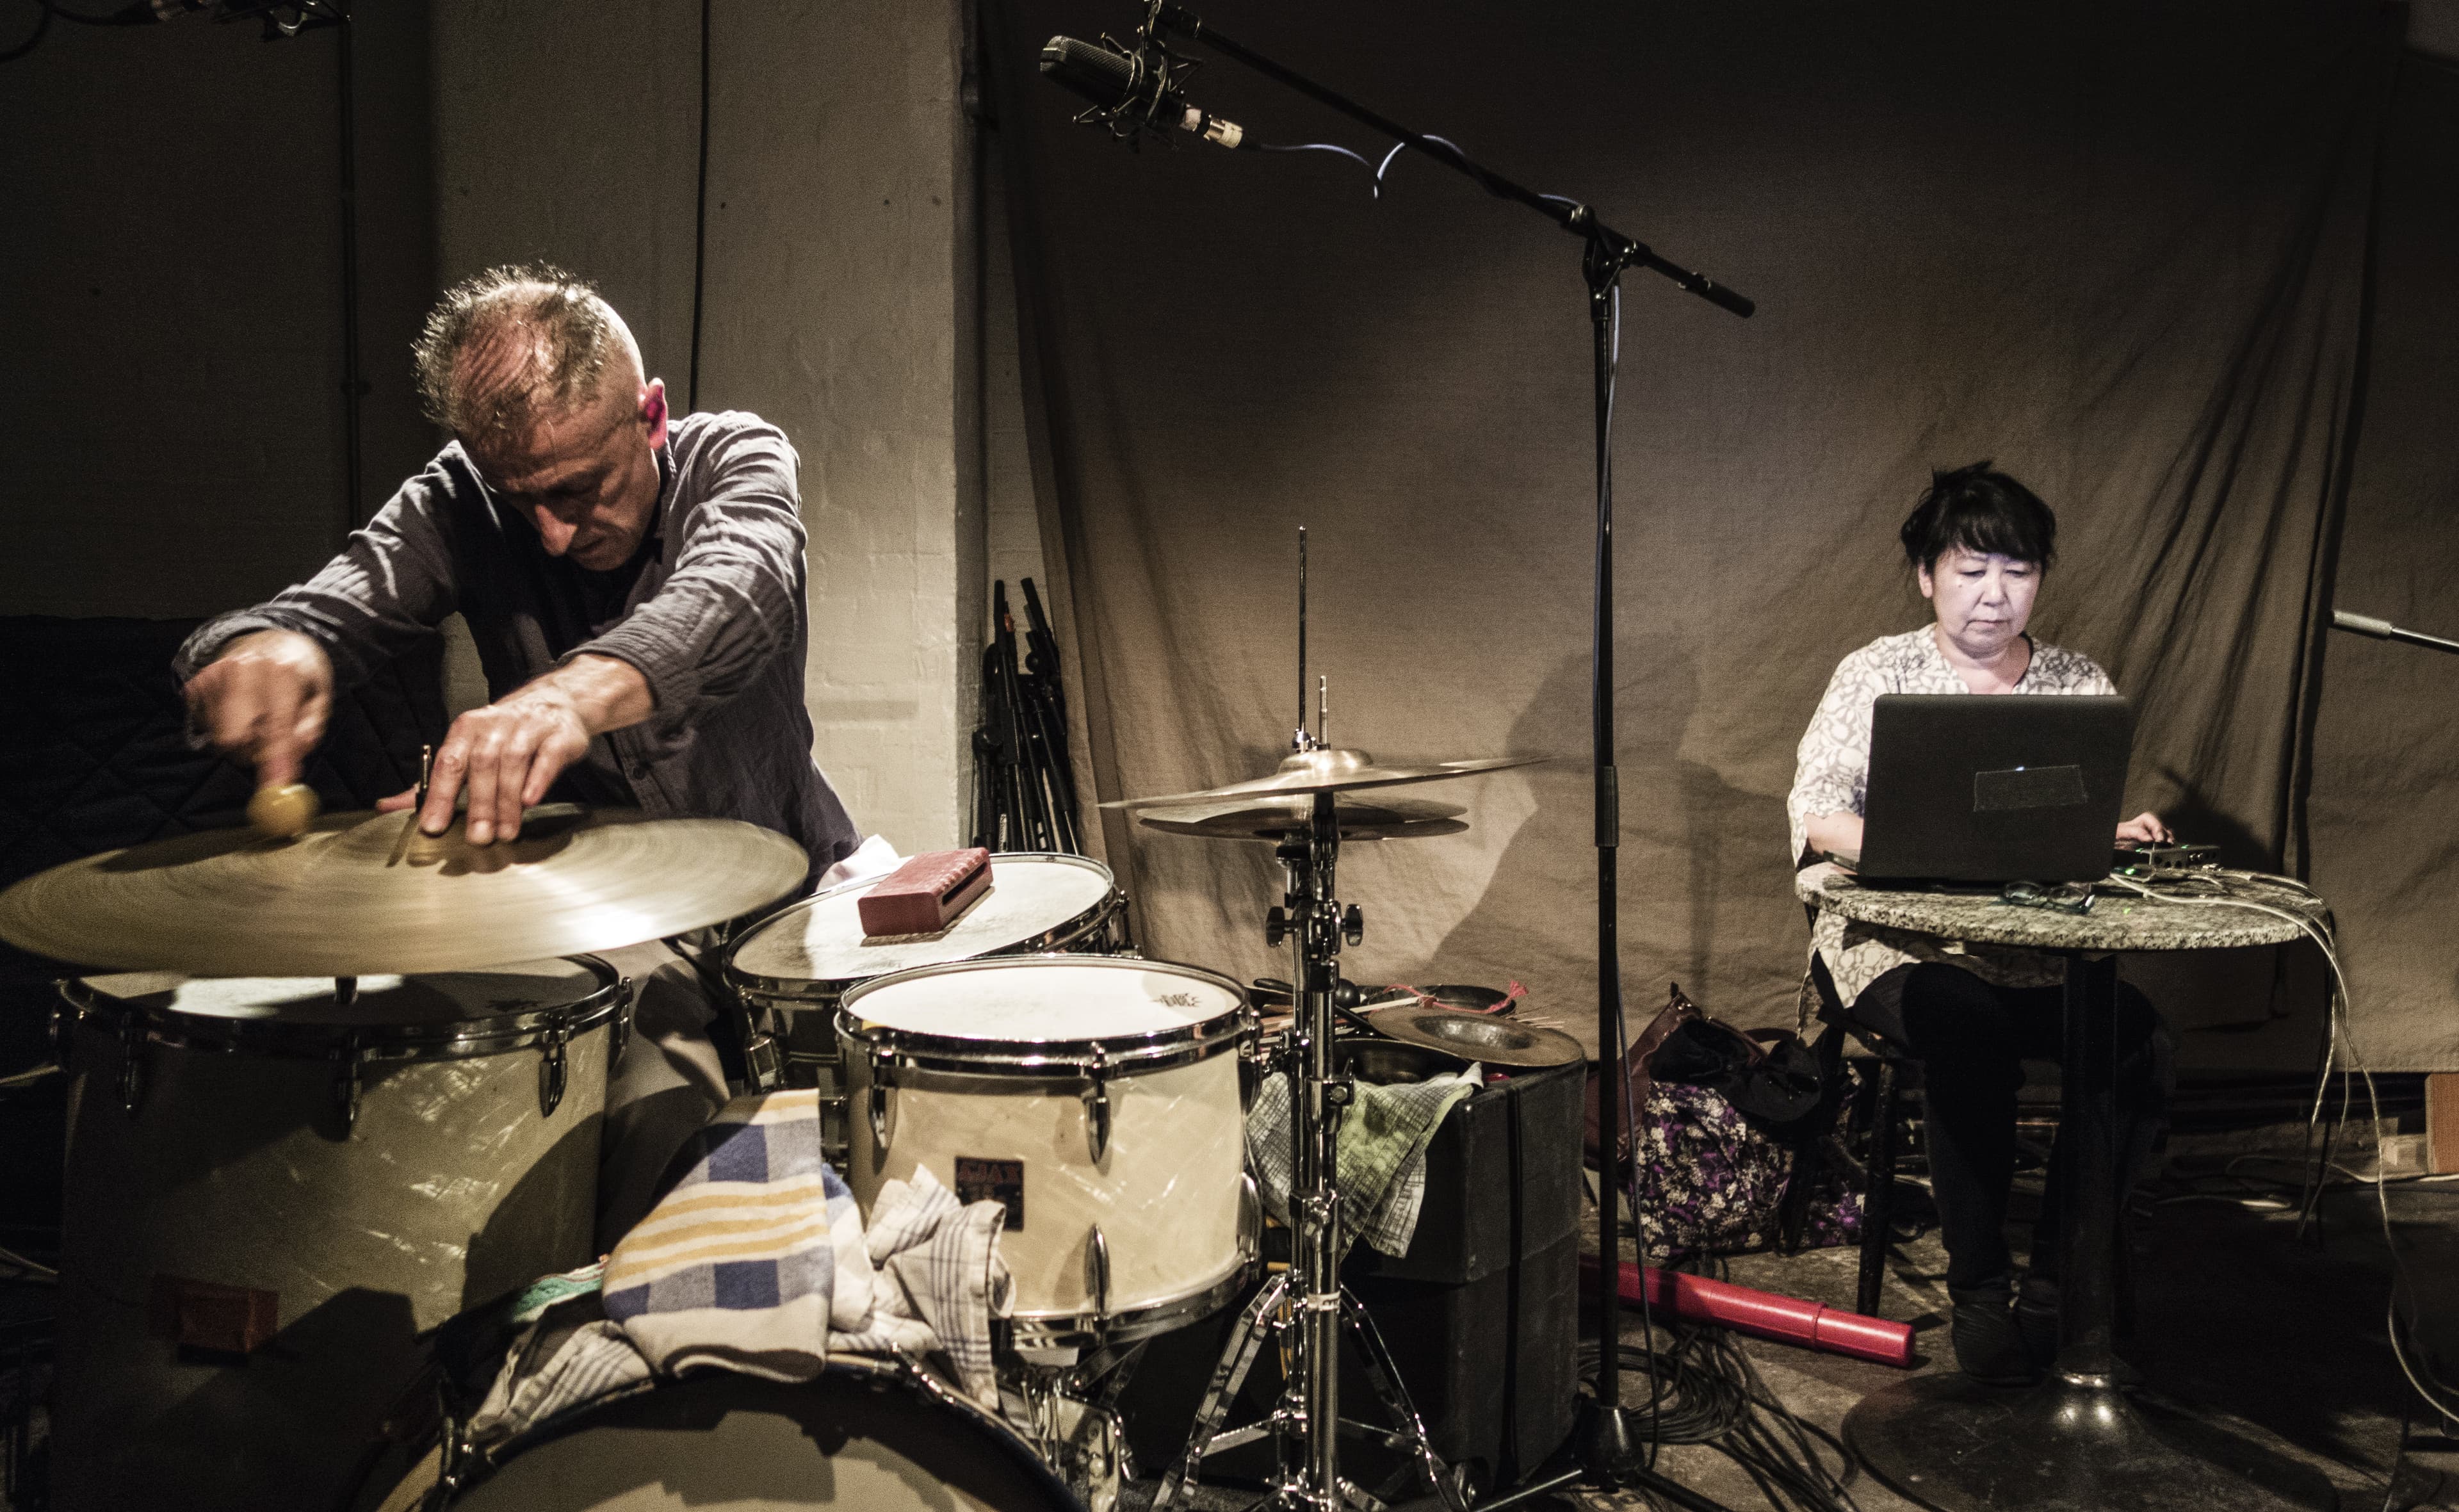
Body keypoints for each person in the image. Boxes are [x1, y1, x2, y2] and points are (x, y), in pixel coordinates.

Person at [176, 263, 891, 1246]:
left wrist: (566, 695)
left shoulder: (735, 456)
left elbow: (741, 586)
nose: (552, 537)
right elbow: (326, 606)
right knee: (651, 1140)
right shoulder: (461, 500)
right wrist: (266, 648)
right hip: (608, 924)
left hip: (793, 895)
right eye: (524, 503)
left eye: (579, 491)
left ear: (650, 415)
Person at [1786, 462, 2175, 1386]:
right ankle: (1982, 1294)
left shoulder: (2077, 681)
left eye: (2019, 570)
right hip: (1896, 951)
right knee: (1968, 1025)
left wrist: (2108, 831)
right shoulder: (1877, 671)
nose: (1996, 595)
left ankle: (2055, 1280)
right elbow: (1819, 814)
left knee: (2138, 1043)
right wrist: (1928, 845)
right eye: (1971, 571)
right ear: (1927, 575)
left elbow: (2059, 818)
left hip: (2037, 957)